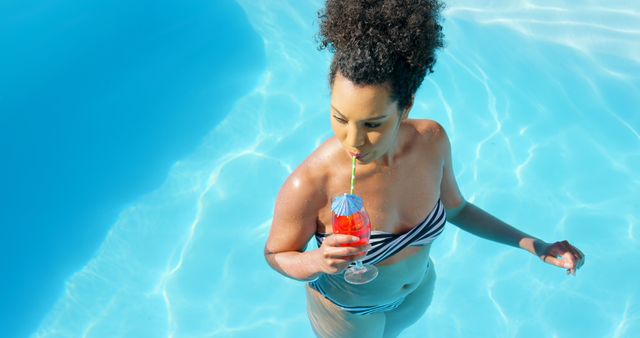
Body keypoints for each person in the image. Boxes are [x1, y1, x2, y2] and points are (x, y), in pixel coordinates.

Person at [263, 0, 585, 337]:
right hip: (351, 314)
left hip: (417, 294)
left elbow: (458, 209)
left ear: (407, 105)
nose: (354, 140)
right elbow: (276, 254)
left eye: (373, 123)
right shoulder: (313, 182)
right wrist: (316, 262)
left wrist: (537, 246)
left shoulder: (431, 141)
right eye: (340, 118)